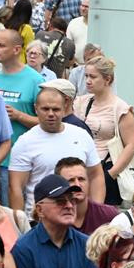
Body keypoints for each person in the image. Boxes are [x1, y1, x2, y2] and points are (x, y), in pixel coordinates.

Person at [10, 87, 104, 216]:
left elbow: (96, 175)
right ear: (36, 108)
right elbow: (15, 187)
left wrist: (96, 211)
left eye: (56, 109)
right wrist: (19, 223)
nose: (50, 114)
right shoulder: (25, 142)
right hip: (40, 219)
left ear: (64, 108)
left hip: (79, 217)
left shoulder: (81, 135)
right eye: (45, 109)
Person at [73, 57, 134, 207]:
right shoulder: (81, 102)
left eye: (93, 77)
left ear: (107, 79)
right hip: (82, 166)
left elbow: (132, 144)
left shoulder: (120, 107)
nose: (88, 81)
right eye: (86, 76)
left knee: (102, 218)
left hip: (106, 167)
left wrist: (112, 174)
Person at [0, 27, 44, 200]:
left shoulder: (35, 80)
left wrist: (19, 116)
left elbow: (48, 122)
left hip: (19, 161)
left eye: (1, 45)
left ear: (16, 49)